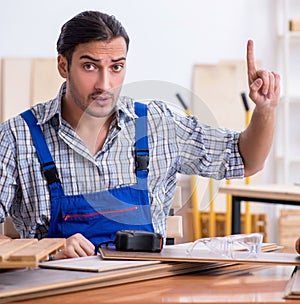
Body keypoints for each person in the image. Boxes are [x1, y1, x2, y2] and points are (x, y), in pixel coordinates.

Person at [0, 11, 280, 260]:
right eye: (89, 66)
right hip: (55, 290)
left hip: (145, 289)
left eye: (116, 67)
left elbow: (246, 159)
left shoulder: (158, 124)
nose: (104, 84)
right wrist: (48, 249)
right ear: (63, 66)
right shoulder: (17, 137)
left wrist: (265, 109)